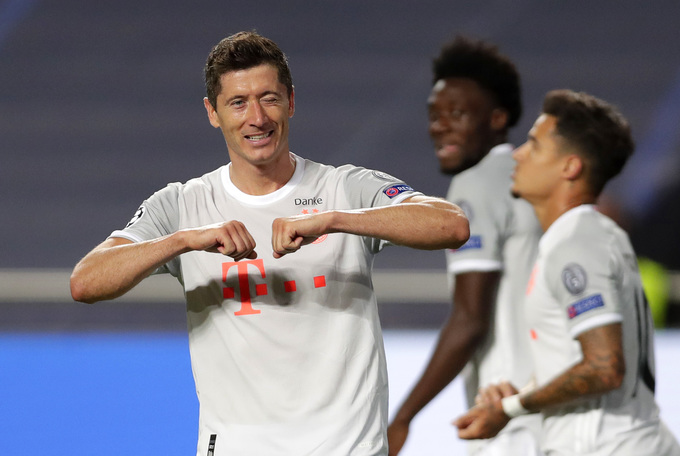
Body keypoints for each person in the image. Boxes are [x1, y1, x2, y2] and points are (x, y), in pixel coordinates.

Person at [69, 31, 469, 456]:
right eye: (238, 103)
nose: (257, 118)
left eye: (269, 98)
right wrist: (183, 241)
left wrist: (335, 220)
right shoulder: (182, 204)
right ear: (212, 112)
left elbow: (452, 225)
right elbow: (86, 282)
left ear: (291, 102)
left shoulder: (344, 187)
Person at [454, 89, 680, 456]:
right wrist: (516, 397)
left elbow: (604, 367)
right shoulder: (593, 234)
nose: (518, 154)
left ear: (570, 167)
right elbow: (579, 360)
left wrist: (511, 408)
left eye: (534, 145)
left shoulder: (575, 243)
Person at [388, 36, 543, 455]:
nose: (439, 126)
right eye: (434, 115)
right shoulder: (536, 180)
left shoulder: (475, 184)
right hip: (549, 400)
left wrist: (403, 417)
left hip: (505, 406)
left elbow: (470, 319)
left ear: (497, 118)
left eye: (457, 113)